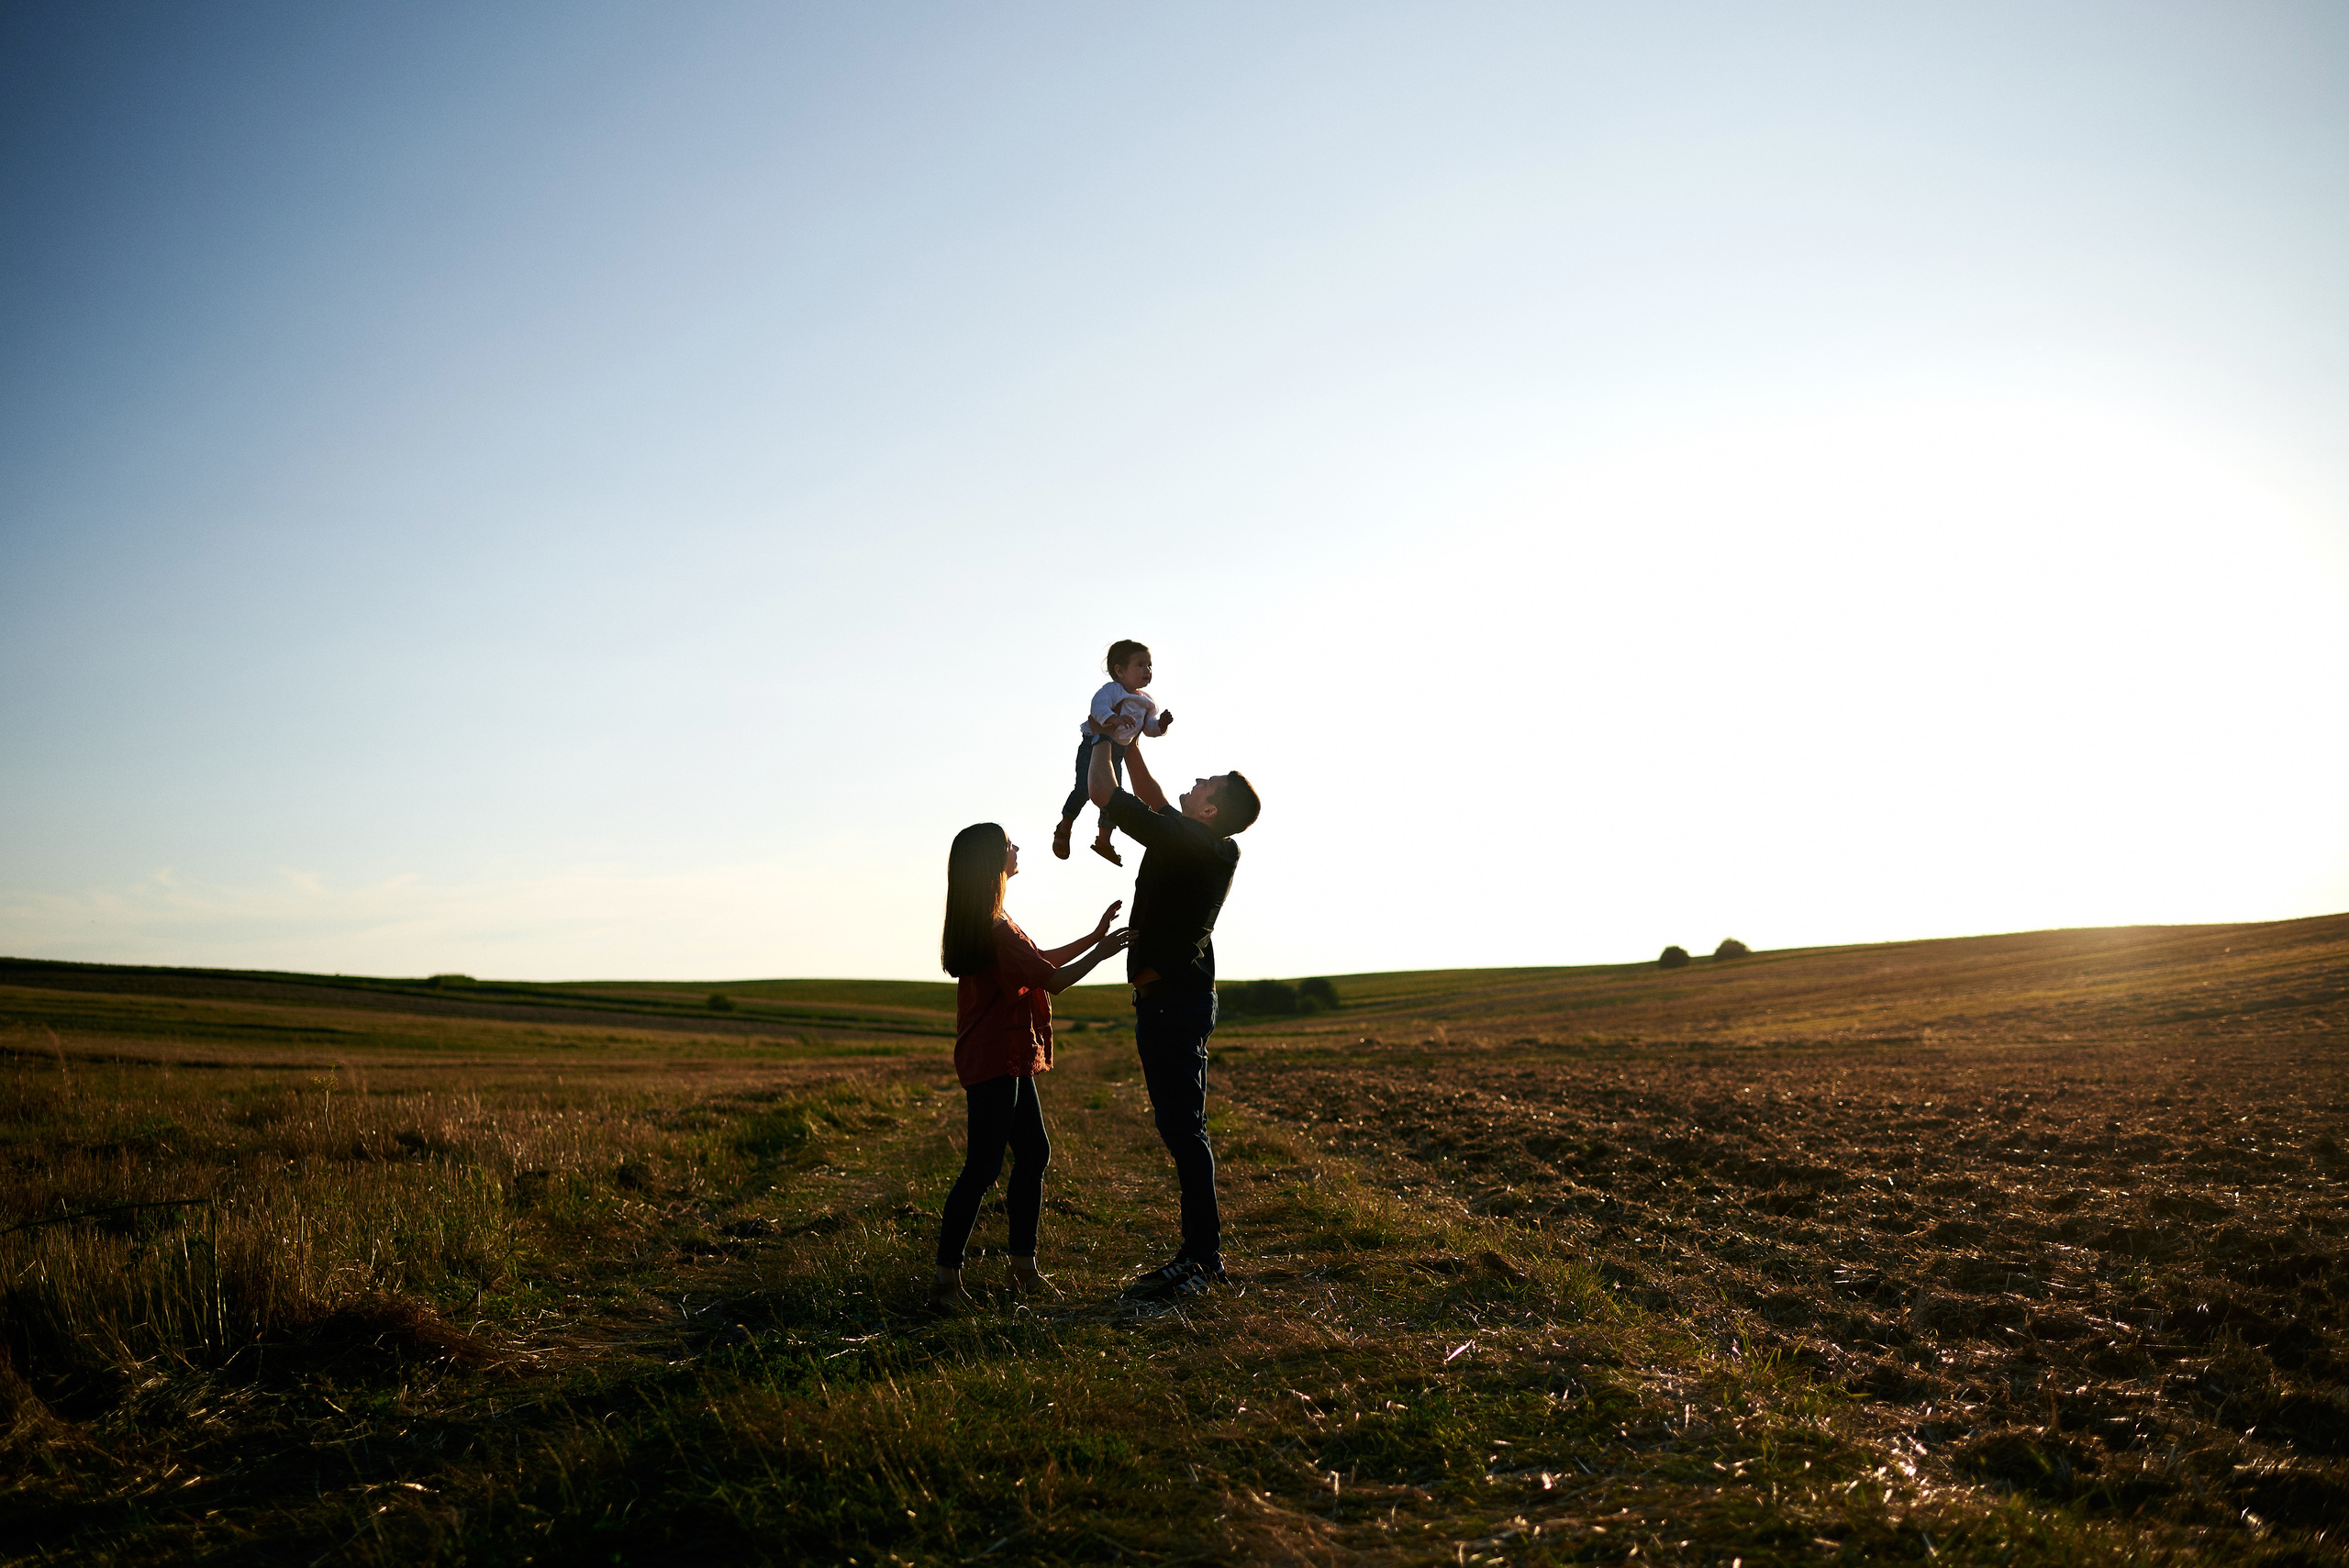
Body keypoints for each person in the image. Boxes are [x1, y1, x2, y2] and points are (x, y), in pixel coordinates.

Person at [1085, 729, 1260, 1299]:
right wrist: (1129, 740)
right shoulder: (1195, 838)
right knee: (1182, 1129)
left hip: (1173, 1005)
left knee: (1184, 1131)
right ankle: (1200, 1256)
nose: (1196, 779)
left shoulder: (1200, 845)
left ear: (1210, 810)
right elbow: (1154, 799)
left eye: (1206, 783)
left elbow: (1105, 795)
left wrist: (1102, 740)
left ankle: (1202, 1261)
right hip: (1169, 1002)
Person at [932, 821, 1129, 1310]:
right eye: (1007, 845)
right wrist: (1102, 953)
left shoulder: (995, 921)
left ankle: (1023, 1268)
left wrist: (1092, 937)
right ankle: (945, 1283)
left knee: (1033, 1153)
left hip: (1008, 1056)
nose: (1016, 848)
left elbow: (1040, 964)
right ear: (990, 863)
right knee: (982, 1168)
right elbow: (1055, 981)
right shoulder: (995, 929)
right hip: (995, 1057)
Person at [1053, 639, 1174, 867]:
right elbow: (1097, 709)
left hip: (1118, 751)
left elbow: (1147, 729)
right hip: (1094, 745)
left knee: (1113, 796)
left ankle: (1103, 840)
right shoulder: (1112, 691)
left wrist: (1161, 726)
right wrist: (1114, 719)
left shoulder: (1146, 702)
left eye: (1149, 666)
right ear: (1119, 671)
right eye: (1140, 665)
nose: (1147, 670)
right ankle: (1065, 825)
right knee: (1084, 789)